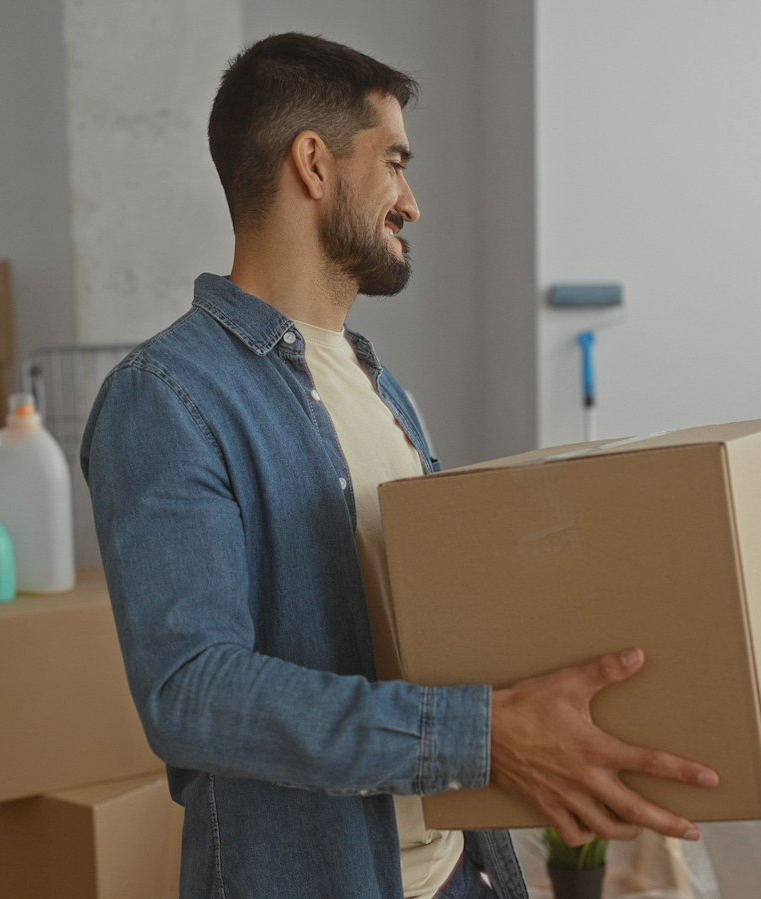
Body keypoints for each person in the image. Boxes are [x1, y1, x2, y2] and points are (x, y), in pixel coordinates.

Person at [81, 32, 719, 899]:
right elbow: (191, 692)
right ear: (314, 163)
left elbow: (428, 633)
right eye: (393, 161)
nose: (411, 201)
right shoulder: (166, 397)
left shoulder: (378, 385)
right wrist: (484, 733)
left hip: (461, 872)